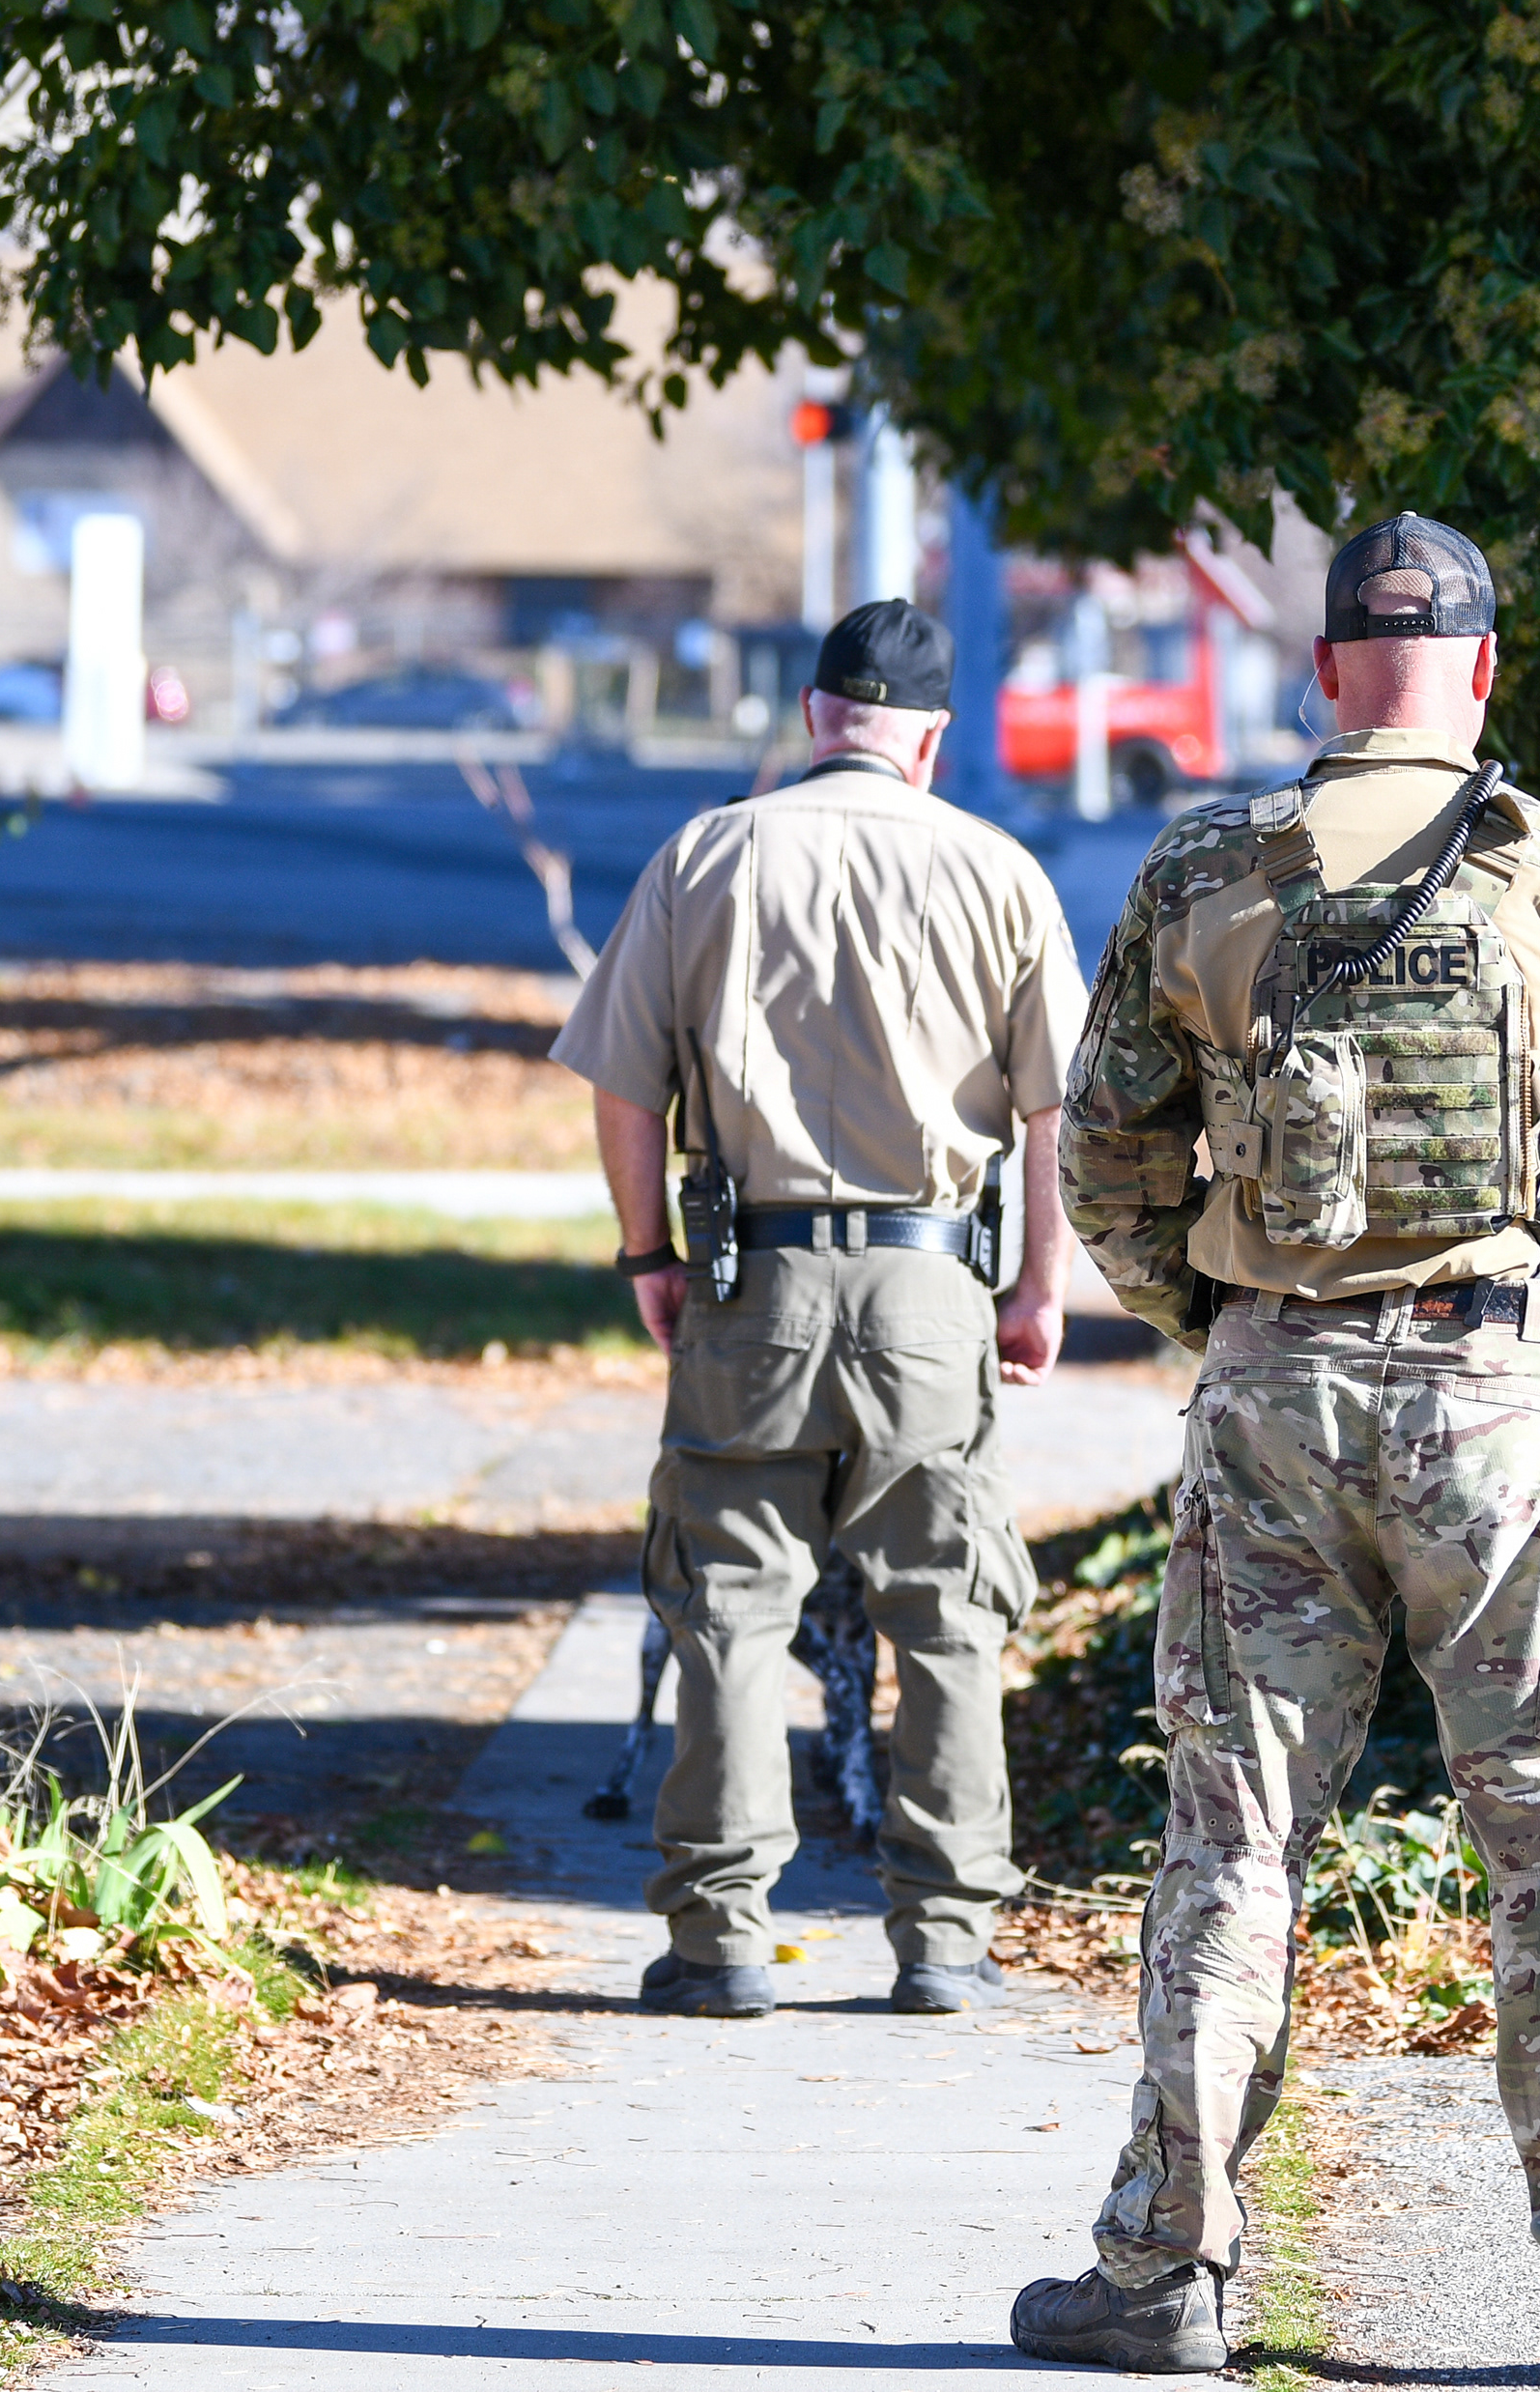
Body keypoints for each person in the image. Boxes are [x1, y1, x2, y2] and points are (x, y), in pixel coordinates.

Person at [1012, 514, 1540, 2382]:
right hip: (1506, 1408)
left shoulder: (1205, 872)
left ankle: (1164, 2269)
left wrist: (1230, 1322)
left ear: (1331, 665)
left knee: (1234, 1841)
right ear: (1487, 670)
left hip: (1273, 1400)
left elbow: (1103, 1156)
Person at [550, 598, 1084, 2019]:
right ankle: (946, 1939)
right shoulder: (999, 871)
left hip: (754, 1285)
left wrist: (645, 1254)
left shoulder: (708, 855)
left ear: (813, 719)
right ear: (933, 741)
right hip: (930, 1290)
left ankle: (720, 1939)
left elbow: (620, 1082)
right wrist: (1040, 1289)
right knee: (950, 1614)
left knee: (726, 1606)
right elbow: (1055, 1113)